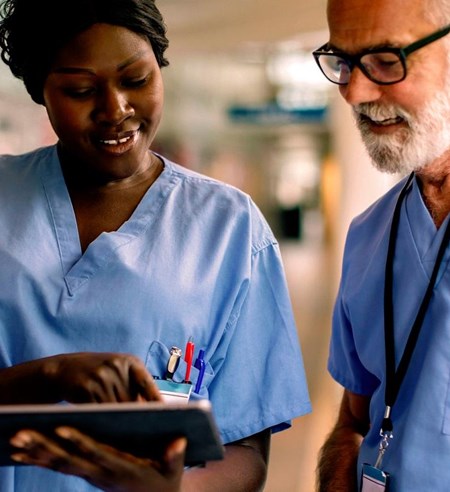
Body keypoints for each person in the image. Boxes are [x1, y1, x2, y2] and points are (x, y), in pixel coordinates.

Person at [0, 0, 312, 490]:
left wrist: (171, 489)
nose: (115, 110)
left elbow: (244, 447)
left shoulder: (230, 229)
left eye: (137, 80)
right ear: (41, 91)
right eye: (81, 90)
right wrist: (48, 376)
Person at [312, 0, 450, 490]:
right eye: (344, 62)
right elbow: (355, 420)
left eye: (387, 61)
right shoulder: (371, 234)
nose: (354, 92)